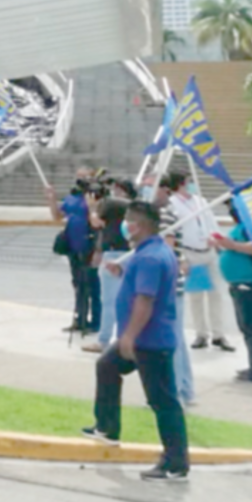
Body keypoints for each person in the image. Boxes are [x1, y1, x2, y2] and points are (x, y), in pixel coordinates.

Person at [83, 202, 190, 483]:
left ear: (137, 226)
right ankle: (107, 428)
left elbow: (146, 300)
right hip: (143, 339)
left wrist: (128, 336)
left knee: (163, 402)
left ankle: (175, 463)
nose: (123, 225)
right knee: (107, 365)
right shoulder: (152, 252)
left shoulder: (150, 258)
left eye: (128, 220)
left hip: (149, 342)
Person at [165, 173, 235, 352]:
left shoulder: (201, 201)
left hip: (209, 251)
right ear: (180, 184)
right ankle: (201, 334)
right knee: (196, 295)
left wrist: (216, 239)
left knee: (216, 294)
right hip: (191, 252)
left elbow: (210, 222)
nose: (192, 185)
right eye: (189, 182)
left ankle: (219, 334)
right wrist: (181, 258)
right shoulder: (173, 204)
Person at [211, 200, 252, 385]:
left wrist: (231, 245)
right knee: (248, 328)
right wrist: (220, 246)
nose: (230, 211)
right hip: (242, 284)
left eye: (232, 208)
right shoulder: (242, 227)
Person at [154, 175, 196, 406]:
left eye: (152, 185)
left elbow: (167, 251)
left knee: (172, 339)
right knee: (176, 337)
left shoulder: (165, 215)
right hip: (174, 282)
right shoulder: (168, 212)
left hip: (168, 284)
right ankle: (185, 388)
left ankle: (177, 390)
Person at [83, 179, 136, 354]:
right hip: (131, 253)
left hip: (113, 254)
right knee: (129, 300)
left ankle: (104, 340)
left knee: (109, 300)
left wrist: (91, 207)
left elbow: (96, 223)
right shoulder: (136, 206)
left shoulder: (111, 204)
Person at [45, 168, 101, 334]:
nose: (80, 180)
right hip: (73, 245)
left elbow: (96, 222)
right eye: (78, 177)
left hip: (89, 246)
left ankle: (96, 321)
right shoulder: (71, 198)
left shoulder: (96, 198)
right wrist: (52, 199)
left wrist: (92, 207)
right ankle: (80, 319)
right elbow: (57, 216)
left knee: (92, 285)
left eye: (84, 177)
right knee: (78, 284)